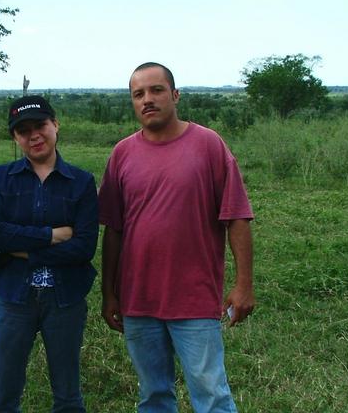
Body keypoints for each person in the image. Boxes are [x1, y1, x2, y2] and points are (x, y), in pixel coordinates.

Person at [98, 62, 254, 413]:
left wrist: (244, 284)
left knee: (211, 394)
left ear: (175, 94)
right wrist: (109, 293)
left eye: (156, 90)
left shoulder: (208, 145)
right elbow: (114, 230)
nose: (147, 100)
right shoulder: (122, 154)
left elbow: (237, 217)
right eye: (138, 94)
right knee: (153, 395)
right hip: (138, 299)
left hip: (194, 298)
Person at [0, 95, 99, 413]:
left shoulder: (82, 182)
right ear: (15, 137)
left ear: (55, 125)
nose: (34, 135)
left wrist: (23, 252)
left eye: (40, 125)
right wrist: (52, 235)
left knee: (68, 395)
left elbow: (84, 247)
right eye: (23, 130)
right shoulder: (0, 178)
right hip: (14, 297)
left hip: (65, 299)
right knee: (4, 395)